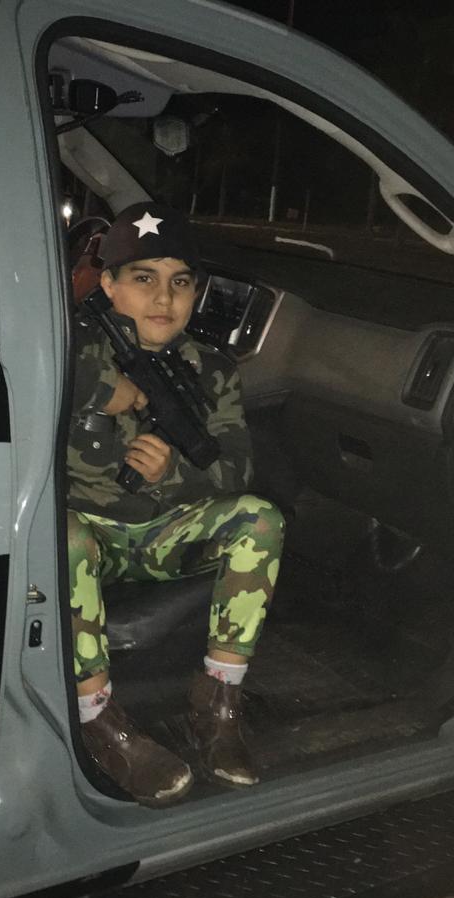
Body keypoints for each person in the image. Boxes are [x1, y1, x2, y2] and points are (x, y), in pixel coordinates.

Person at [67, 202, 285, 808]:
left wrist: (175, 473)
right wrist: (103, 390)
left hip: (167, 534)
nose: (164, 298)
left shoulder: (210, 369)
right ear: (108, 284)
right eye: (144, 278)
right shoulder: (69, 345)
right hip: (87, 538)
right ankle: (96, 718)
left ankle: (217, 699)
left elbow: (236, 468)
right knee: (64, 537)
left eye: (180, 282)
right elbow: (15, 364)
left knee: (261, 519)